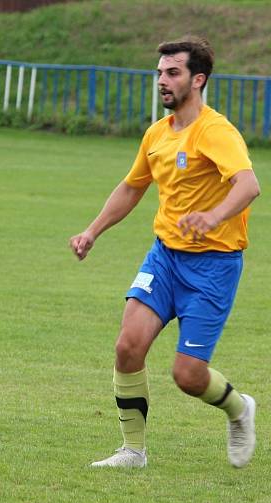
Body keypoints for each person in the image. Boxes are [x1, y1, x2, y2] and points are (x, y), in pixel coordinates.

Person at [70, 37, 260, 468]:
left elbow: (248, 185)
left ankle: (239, 409)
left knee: (187, 376)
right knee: (127, 347)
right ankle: (133, 451)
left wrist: (213, 217)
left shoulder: (216, 132)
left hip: (214, 265)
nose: (161, 80)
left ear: (198, 80)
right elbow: (133, 186)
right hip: (165, 258)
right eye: (159, 72)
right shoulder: (157, 134)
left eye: (172, 73)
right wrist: (92, 230)